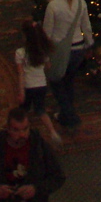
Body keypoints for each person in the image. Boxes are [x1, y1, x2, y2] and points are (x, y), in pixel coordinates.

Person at [42, 0, 93, 130]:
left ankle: (69, 114)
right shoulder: (80, 3)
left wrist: (45, 57)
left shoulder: (53, 6)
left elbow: (46, 34)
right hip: (78, 50)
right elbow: (87, 27)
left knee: (57, 83)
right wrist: (90, 45)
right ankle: (65, 115)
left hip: (59, 52)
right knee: (69, 82)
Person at [14, 20, 62, 149]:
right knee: (41, 110)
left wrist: (21, 92)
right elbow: (48, 66)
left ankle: (23, 133)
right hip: (41, 85)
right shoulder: (42, 51)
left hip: (28, 87)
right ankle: (52, 132)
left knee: (23, 112)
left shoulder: (20, 53)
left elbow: (21, 75)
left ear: (25, 36)